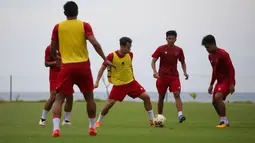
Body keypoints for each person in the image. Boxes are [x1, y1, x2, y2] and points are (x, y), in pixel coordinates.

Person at [50, 1, 113, 137]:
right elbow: (94, 43)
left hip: (66, 68)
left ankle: (56, 129)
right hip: (83, 66)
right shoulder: (84, 25)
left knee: (59, 99)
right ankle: (92, 127)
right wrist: (105, 58)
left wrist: (57, 59)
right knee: (89, 98)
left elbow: (52, 48)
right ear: (77, 12)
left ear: (65, 13)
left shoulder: (58, 27)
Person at [94, 37, 155, 127]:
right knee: (109, 104)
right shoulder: (111, 56)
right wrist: (97, 82)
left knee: (146, 97)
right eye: (128, 47)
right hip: (119, 85)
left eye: (130, 47)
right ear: (122, 46)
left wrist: (132, 77)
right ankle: (98, 121)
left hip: (131, 83)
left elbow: (129, 67)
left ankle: (152, 120)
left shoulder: (130, 54)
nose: (129, 49)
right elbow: (102, 68)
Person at [151, 30, 189, 123]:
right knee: (161, 97)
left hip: (174, 77)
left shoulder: (179, 50)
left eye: (173, 38)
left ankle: (180, 115)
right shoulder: (160, 49)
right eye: (169, 38)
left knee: (177, 94)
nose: (171, 40)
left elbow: (183, 62)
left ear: (176, 39)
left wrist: (185, 72)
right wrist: (155, 71)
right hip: (162, 77)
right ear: (166, 39)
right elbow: (153, 61)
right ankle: (159, 117)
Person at [202, 34, 235, 128]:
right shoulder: (210, 56)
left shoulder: (223, 54)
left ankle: (223, 120)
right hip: (219, 82)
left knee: (218, 97)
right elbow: (214, 70)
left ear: (213, 44)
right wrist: (211, 84)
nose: (207, 49)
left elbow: (231, 69)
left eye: (208, 47)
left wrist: (232, 84)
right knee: (214, 102)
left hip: (227, 80)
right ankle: (224, 120)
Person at [39, 45, 73, 126]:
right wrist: (56, 62)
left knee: (69, 96)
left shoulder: (67, 46)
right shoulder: (50, 48)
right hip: (54, 75)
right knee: (53, 96)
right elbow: (46, 63)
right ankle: (42, 118)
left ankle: (66, 120)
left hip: (66, 74)